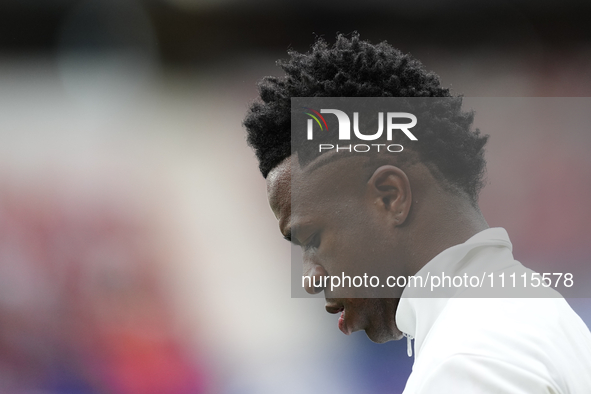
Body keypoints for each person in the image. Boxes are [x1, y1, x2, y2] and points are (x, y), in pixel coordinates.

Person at [243, 33, 591, 393]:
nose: (310, 279)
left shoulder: (468, 362)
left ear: (391, 197)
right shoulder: (539, 316)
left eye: (312, 239)